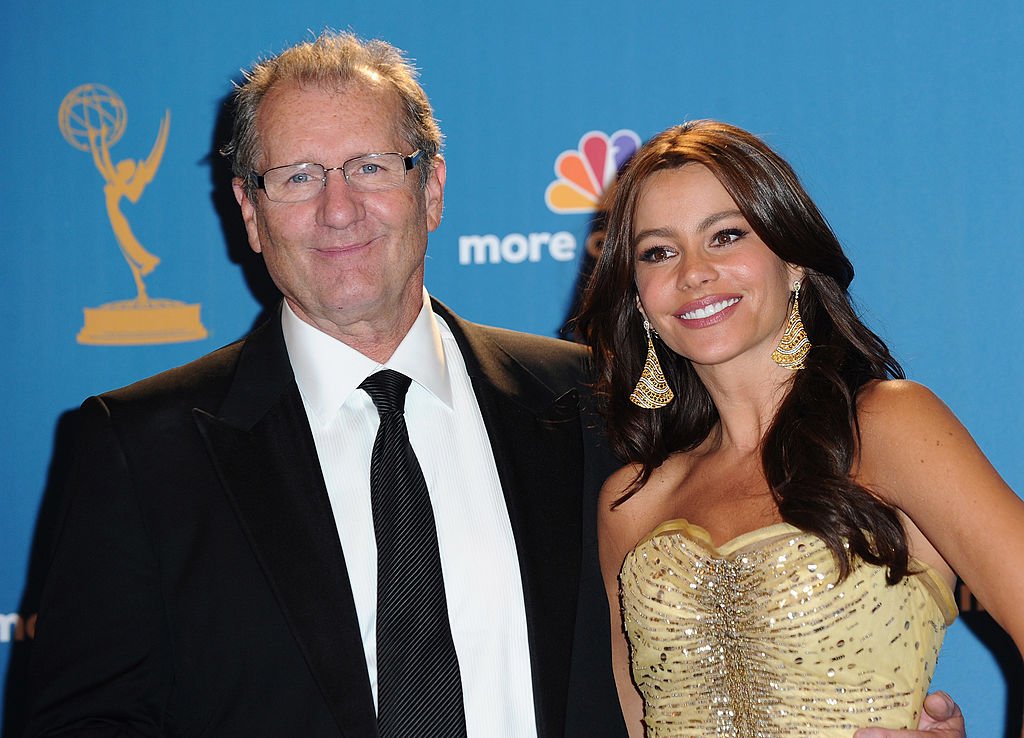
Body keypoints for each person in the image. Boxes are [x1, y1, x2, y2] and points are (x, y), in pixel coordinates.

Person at [24, 31, 622, 737]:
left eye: (370, 167)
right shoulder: (139, 451)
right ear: (250, 212)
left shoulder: (587, 403)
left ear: (430, 189)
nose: (339, 210)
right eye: (299, 176)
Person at [576, 119, 1022, 737]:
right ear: (639, 299)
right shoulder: (630, 502)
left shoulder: (889, 426)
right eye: (659, 252)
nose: (694, 271)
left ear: (793, 263)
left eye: (726, 236)